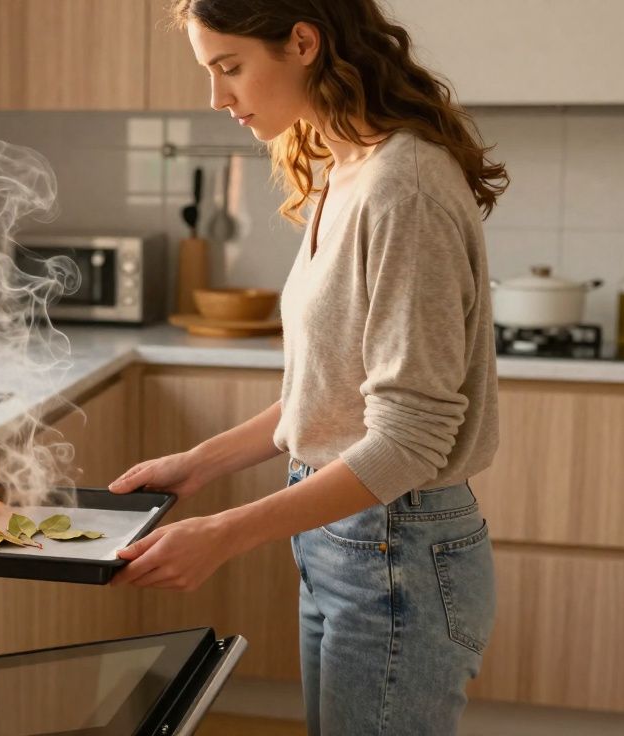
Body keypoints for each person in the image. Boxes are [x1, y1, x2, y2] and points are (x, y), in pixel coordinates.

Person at [107, 1, 508, 733]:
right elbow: (330, 400)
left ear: (302, 42)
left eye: (230, 68)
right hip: (345, 535)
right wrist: (200, 463)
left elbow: (410, 439)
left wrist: (224, 533)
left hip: (396, 546)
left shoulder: (403, 187)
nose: (217, 97)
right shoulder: (344, 173)